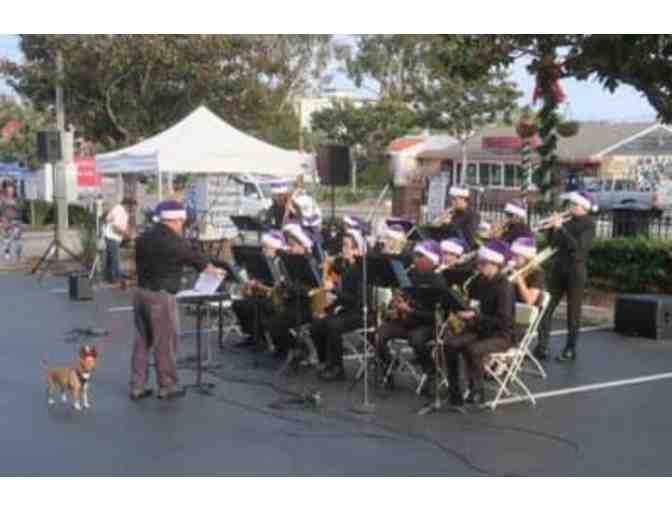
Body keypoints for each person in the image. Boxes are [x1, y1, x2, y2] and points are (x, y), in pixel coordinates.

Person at [130, 200, 220, 401]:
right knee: (165, 343)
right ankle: (168, 386)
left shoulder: (143, 238)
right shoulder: (174, 241)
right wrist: (212, 268)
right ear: (177, 220)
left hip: (140, 293)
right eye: (182, 221)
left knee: (142, 342)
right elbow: (197, 260)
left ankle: (137, 386)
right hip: (161, 296)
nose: (183, 224)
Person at [442, 239, 515, 407]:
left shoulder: (504, 286)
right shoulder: (480, 281)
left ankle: (478, 391)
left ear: (495, 263)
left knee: (473, 349)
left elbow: (503, 321)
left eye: (483, 263)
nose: (479, 267)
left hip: (501, 335)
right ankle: (454, 391)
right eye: (479, 263)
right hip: (480, 329)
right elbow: (470, 301)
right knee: (450, 344)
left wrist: (474, 316)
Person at [534, 191, 596, 363]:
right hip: (558, 270)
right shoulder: (566, 221)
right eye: (569, 204)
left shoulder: (589, 225)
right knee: (545, 308)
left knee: (573, 312)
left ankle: (570, 349)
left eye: (573, 205)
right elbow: (554, 243)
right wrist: (552, 228)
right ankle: (542, 346)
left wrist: (561, 228)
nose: (569, 208)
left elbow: (577, 248)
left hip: (575, 272)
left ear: (582, 206)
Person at [376, 240, 447, 387]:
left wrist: (410, 310)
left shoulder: (438, 281)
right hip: (407, 320)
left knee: (416, 339)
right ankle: (388, 364)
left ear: (431, 260)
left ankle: (431, 371)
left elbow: (436, 315)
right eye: (415, 255)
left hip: (427, 324)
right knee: (379, 334)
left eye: (419, 256)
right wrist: (396, 305)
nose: (415, 259)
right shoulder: (412, 274)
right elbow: (405, 296)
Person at [310, 229, 367, 381]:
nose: (344, 249)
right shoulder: (346, 266)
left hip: (359, 312)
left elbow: (357, 300)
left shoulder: (362, 270)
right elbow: (338, 290)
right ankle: (324, 361)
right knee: (316, 324)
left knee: (333, 325)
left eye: (347, 246)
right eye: (343, 246)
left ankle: (337, 368)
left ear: (357, 249)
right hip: (345, 309)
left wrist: (334, 290)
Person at [263, 223, 318, 359]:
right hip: (293, 301)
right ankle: (284, 348)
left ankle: (297, 348)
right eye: (289, 245)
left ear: (302, 246)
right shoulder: (289, 261)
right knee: (268, 317)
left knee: (276, 322)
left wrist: (290, 287)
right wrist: (283, 286)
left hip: (308, 306)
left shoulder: (310, 263)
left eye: (293, 245)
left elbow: (314, 289)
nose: (290, 248)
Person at [232, 230, 287, 350]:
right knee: (239, 305)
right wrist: (252, 284)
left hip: (277, 297)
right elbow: (261, 280)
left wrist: (261, 287)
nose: (263, 250)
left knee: (259, 305)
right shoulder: (263, 262)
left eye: (266, 247)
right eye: (263, 247)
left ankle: (263, 340)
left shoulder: (281, 262)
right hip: (264, 293)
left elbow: (279, 288)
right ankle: (252, 335)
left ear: (275, 248)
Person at [103, 197, 136, 286]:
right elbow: (115, 227)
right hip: (113, 236)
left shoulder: (117, 208)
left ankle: (108, 277)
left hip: (109, 235)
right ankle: (116, 278)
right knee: (115, 258)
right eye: (132, 207)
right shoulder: (120, 211)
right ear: (128, 205)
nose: (133, 209)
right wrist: (127, 234)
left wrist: (127, 230)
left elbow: (107, 219)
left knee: (110, 258)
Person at [445, 186, 481, 250]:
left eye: (455, 199)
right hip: (451, 242)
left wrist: (449, 224)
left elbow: (469, 237)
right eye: (451, 199)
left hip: (464, 246)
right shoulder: (454, 213)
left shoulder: (473, 215)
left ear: (463, 199)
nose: (452, 202)